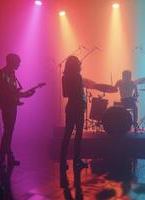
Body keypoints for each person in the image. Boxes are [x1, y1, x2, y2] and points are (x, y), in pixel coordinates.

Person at [0, 53, 35, 167]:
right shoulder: (1, 73)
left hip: (12, 105)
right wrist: (8, 94)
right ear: (11, 62)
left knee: (9, 131)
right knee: (8, 131)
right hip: (6, 105)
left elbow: (15, 93)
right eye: (18, 62)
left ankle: (9, 157)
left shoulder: (12, 74)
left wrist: (27, 94)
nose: (19, 65)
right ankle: (2, 158)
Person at [60, 56, 88, 188]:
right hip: (77, 107)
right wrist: (83, 103)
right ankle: (77, 160)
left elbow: (65, 94)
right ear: (75, 65)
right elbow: (81, 93)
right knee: (78, 135)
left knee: (67, 134)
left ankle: (63, 161)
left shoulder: (64, 77)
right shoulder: (77, 76)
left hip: (70, 107)